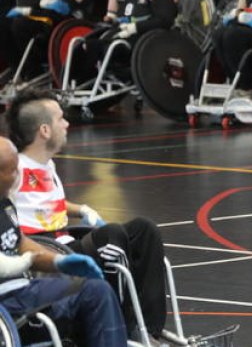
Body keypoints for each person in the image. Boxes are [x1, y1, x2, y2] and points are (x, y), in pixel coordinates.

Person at [5, 89, 168, 339]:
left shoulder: (46, 164)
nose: (67, 123)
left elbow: (48, 202)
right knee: (112, 237)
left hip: (65, 239)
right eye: (61, 118)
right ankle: (123, 328)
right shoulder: (15, 168)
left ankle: (151, 330)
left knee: (143, 230)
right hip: (44, 247)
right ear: (44, 130)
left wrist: (81, 209)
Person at [0, 136, 126, 347]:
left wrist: (59, 261)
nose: (17, 176)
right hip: (6, 300)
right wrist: (23, 262)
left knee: (96, 290)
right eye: (12, 171)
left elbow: (19, 242)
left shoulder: (5, 203)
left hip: (23, 289)